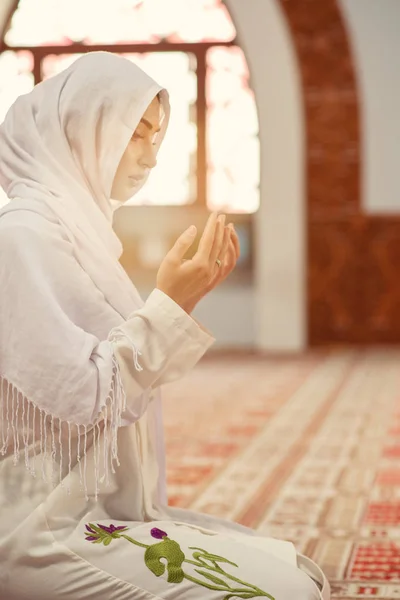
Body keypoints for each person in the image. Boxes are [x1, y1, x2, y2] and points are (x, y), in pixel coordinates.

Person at [0, 52, 329, 599]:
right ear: (85, 127)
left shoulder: (81, 233)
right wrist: (169, 303)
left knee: (297, 570)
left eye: (158, 137)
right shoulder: (22, 238)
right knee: (285, 595)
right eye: (137, 133)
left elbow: (119, 371)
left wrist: (180, 302)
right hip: (37, 523)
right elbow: (86, 396)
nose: (151, 155)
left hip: (97, 503)